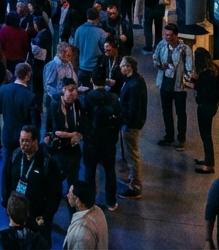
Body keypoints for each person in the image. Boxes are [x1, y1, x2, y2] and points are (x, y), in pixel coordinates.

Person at [0, 125, 63, 237]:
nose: (23, 144)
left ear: (35, 141)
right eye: (21, 140)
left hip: (37, 216)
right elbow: (6, 178)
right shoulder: (16, 155)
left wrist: (46, 216)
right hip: (18, 213)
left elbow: (55, 193)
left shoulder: (48, 163)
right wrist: (7, 203)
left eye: (26, 141)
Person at [79, 72, 122, 210]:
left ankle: (89, 202)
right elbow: (118, 119)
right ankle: (110, 201)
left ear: (92, 81)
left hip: (91, 141)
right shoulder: (114, 98)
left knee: (90, 171)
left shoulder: (87, 97)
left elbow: (83, 120)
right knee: (110, 171)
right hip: (108, 142)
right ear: (106, 81)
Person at [153, 24, 192, 150]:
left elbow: (189, 68)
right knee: (166, 111)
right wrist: (160, 65)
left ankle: (181, 139)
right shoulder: (162, 45)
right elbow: (155, 58)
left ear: (176, 35)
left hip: (179, 86)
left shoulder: (185, 49)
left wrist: (187, 79)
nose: (167, 37)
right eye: (166, 34)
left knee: (181, 113)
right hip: (164, 84)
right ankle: (169, 136)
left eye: (170, 35)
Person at [0, 63, 38, 172]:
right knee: (22, 167)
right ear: (28, 76)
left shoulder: (3, 89)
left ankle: (5, 189)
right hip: (24, 138)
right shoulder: (30, 96)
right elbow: (35, 123)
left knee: (6, 165)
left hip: (7, 134)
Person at [45, 80, 83, 193]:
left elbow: (82, 123)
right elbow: (57, 131)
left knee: (74, 174)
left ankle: (71, 195)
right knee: (58, 175)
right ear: (63, 90)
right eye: (70, 90)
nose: (73, 93)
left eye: (75, 90)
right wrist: (73, 134)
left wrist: (79, 134)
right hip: (59, 147)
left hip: (73, 146)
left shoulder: (77, 104)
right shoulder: (55, 105)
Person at [117, 56, 147, 198]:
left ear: (129, 67)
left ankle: (135, 186)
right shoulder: (136, 81)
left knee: (132, 155)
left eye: (123, 66)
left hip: (131, 126)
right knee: (131, 154)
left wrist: (125, 119)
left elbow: (133, 109)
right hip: (132, 124)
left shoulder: (133, 85)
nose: (120, 67)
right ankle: (132, 178)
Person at [192, 49, 219, 174]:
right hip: (212, 106)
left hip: (204, 107)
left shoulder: (204, 74)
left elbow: (204, 91)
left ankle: (209, 164)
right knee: (207, 135)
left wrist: (194, 83)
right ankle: (207, 159)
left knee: (205, 136)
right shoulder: (214, 69)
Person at [62, 181, 108, 250]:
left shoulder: (82, 234)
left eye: (70, 194)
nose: (67, 195)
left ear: (78, 200)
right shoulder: (98, 211)